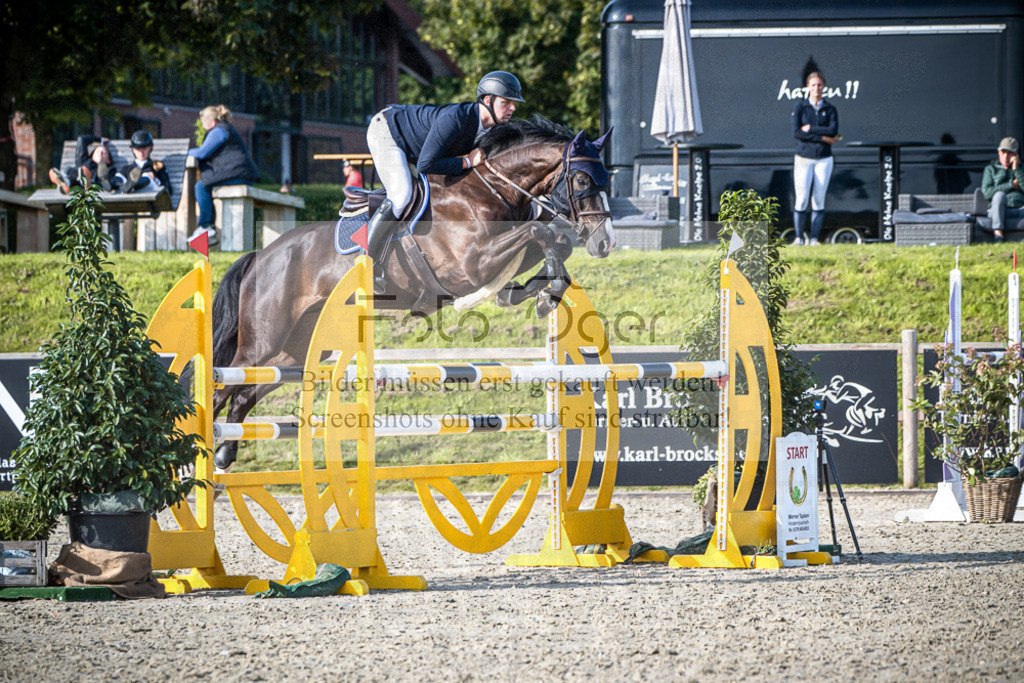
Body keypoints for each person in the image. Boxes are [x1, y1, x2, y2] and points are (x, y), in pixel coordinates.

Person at [364, 70, 524, 293]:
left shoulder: (493, 129)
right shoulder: (455, 119)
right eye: (506, 102)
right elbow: (426, 166)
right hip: (389, 131)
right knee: (401, 196)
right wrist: (467, 162)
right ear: (487, 100)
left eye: (514, 103)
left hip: (417, 145)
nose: (513, 108)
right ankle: (366, 265)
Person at [187, 104, 260, 246]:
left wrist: (183, 152)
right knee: (204, 186)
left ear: (212, 122)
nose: (203, 127)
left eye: (204, 124)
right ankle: (209, 230)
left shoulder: (218, 131)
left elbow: (203, 152)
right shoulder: (225, 129)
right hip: (241, 172)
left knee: (201, 187)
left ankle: (206, 227)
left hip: (239, 173)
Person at [791, 70, 840, 245]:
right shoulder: (800, 107)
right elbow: (797, 132)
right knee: (802, 197)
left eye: (819, 85)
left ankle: (814, 238)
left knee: (818, 198)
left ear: (823, 87)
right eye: (813, 85)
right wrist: (822, 137)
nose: (816, 88)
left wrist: (810, 128)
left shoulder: (830, 108)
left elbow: (833, 131)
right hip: (804, 157)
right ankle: (798, 237)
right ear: (807, 87)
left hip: (824, 158)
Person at [981, 136, 1024, 242]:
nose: (1006, 156)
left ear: (1015, 154)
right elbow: (987, 193)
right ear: (998, 152)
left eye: (1009, 153)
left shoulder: (1021, 168)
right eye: (1003, 152)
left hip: (1019, 209)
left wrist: (1016, 169)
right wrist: (1011, 185)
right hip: (998, 210)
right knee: (999, 195)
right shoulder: (991, 169)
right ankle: (998, 234)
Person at [49, 134, 119, 193]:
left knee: (75, 171)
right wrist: (99, 139)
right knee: (71, 170)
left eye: (103, 152)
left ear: (109, 160)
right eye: (97, 151)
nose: (100, 153)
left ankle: (82, 181)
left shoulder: (111, 169)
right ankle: (66, 182)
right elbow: (81, 140)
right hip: (77, 181)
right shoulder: (84, 160)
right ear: (92, 155)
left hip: (94, 184)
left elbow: (111, 185)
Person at [116, 131, 171, 195]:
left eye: (144, 148)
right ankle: (110, 182)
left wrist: (155, 180)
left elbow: (168, 189)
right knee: (120, 178)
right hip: (131, 200)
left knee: (147, 177)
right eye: (138, 149)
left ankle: (134, 184)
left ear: (150, 148)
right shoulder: (126, 169)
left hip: (153, 199)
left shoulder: (157, 167)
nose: (141, 152)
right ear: (133, 149)